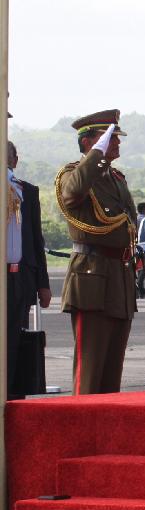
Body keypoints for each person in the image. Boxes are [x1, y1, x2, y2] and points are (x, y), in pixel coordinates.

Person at [55, 110, 137, 394]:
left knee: (112, 372)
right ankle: (81, 421)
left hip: (118, 275)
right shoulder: (73, 175)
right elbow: (72, 194)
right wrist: (96, 155)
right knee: (90, 370)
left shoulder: (115, 177)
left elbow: (128, 221)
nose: (117, 143)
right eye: (110, 138)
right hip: (92, 275)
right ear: (89, 141)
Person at [7, 142, 51, 399]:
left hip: (20, 277)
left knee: (15, 339)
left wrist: (43, 283)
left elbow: (36, 240)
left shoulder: (27, 191)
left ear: (15, 160)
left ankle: (13, 396)